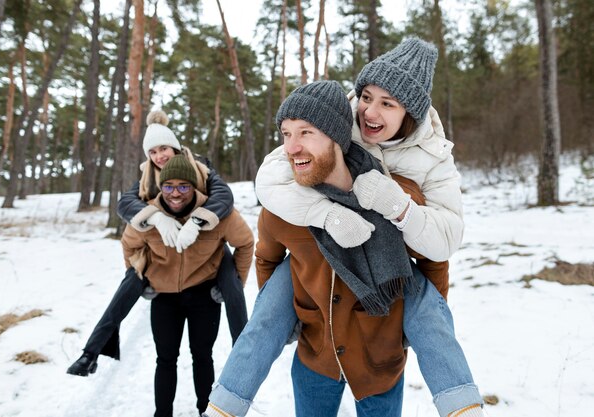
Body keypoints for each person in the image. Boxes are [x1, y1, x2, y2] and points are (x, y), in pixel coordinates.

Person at [204, 45, 486, 417]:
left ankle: (461, 404)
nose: (369, 110)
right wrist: (326, 215)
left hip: (379, 339)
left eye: (388, 103)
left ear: (410, 113)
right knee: (276, 299)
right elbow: (272, 192)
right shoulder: (332, 122)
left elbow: (442, 249)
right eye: (367, 97)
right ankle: (225, 404)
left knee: (422, 300)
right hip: (318, 340)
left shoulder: (430, 160)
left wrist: (398, 204)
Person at [67, 110, 247, 376]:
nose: (159, 156)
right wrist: (156, 219)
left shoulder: (199, 166)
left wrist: (198, 220)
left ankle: (244, 352)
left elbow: (223, 195)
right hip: (163, 247)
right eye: (152, 152)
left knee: (230, 276)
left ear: (174, 146)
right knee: (131, 277)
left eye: (163, 148)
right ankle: (90, 353)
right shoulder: (147, 176)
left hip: (203, 241)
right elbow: (125, 203)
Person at [121, 154, 254, 417]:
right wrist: (139, 277)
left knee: (202, 357)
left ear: (194, 186)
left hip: (204, 296)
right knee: (165, 359)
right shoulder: (149, 214)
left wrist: (232, 284)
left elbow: (246, 242)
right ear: (161, 187)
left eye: (183, 186)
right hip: (164, 299)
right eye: (168, 186)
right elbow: (129, 244)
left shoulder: (216, 213)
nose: (175, 194)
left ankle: (205, 411)